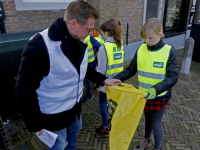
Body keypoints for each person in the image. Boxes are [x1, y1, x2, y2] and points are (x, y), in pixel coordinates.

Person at [15, 0, 121, 150]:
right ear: (74, 23)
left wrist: (103, 80)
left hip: (75, 110)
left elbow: (82, 69)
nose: (91, 33)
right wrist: (35, 124)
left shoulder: (79, 39)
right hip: (53, 116)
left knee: (73, 139)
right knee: (59, 145)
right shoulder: (40, 46)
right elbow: (24, 89)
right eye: (89, 29)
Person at [114, 18, 178, 150]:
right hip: (143, 95)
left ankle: (157, 147)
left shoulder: (169, 51)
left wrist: (155, 90)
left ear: (160, 35)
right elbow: (131, 69)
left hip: (160, 96)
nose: (146, 41)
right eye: (144, 38)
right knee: (147, 120)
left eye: (150, 38)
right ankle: (147, 140)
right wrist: (117, 78)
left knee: (155, 123)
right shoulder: (141, 49)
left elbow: (173, 77)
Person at [95, 19, 124, 137]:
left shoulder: (104, 47)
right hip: (118, 81)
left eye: (103, 32)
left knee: (103, 103)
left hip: (106, 82)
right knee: (114, 104)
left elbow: (101, 69)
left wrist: (98, 81)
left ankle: (105, 127)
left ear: (107, 33)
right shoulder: (119, 43)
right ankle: (114, 125)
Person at [82, 34, 101, 103]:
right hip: (82, 63)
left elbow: (99, 47)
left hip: (90, 62)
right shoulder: (74, 36)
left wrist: (95, 52)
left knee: (87, 80)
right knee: (84, 80)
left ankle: (89, 95)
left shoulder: (89, 37)